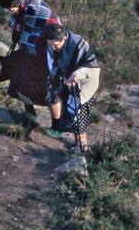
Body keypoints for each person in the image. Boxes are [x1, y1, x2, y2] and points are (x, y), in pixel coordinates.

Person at [0, 0, 62, 115]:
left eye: (10, 9)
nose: (10, 12)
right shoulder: (23, 7)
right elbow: (19, 30)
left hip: (48, 51)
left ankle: (57, 126)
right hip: (36, 48)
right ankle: (30, 113)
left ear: (17, 4)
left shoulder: (34, 10)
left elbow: (27, 37)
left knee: (47, 91)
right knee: (19, 78)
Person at [43, 24, 101, 154]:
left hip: (87, 79)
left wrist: (77, 74)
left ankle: (83, 147)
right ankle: (77, 144)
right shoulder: (54, 43)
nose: (53, 47)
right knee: (70, 109)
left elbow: (92, 67)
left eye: (55, 45)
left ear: (64, 38)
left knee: (77, 111)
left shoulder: (78, 44)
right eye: (50, 45)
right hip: (71, 79)